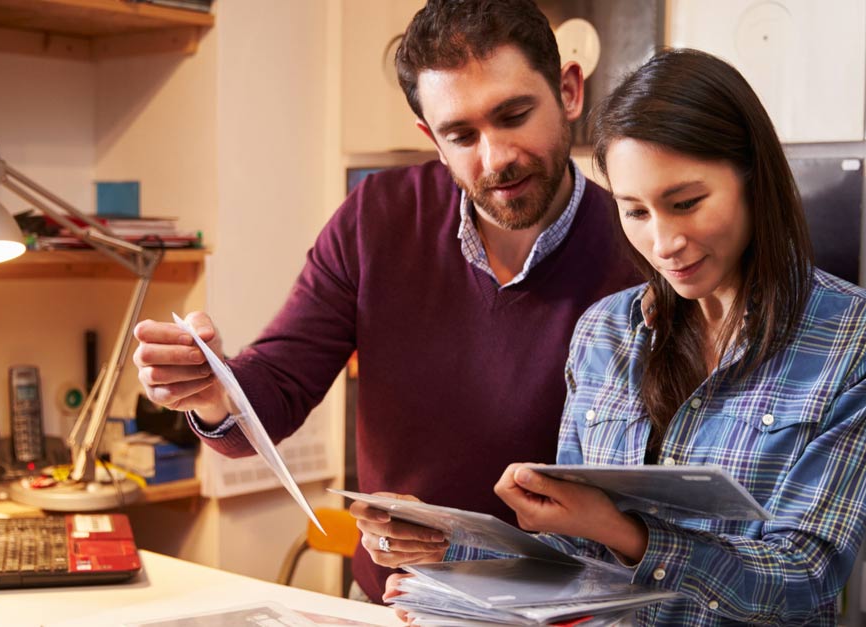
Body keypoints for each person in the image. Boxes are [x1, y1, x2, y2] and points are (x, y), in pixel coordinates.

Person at [130, 0, 638, 603]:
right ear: (430, 138)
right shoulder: (376, 219)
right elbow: (273, 393)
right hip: (396, 602)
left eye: (514, 114)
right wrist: (216, 393)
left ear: (569, 91)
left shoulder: (641, 252)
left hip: (566, 610)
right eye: (461, 135)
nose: (495, 158)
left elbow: (646, 517)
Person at [403, 49, 866, 625]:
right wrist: (450, 543)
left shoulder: (865, 340)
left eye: (686, 203)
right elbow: (584, 561)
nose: (664, 242)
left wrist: (622, 530)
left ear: (753, 178)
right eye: (636, 212)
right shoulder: (605, 332)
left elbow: (801, 579)